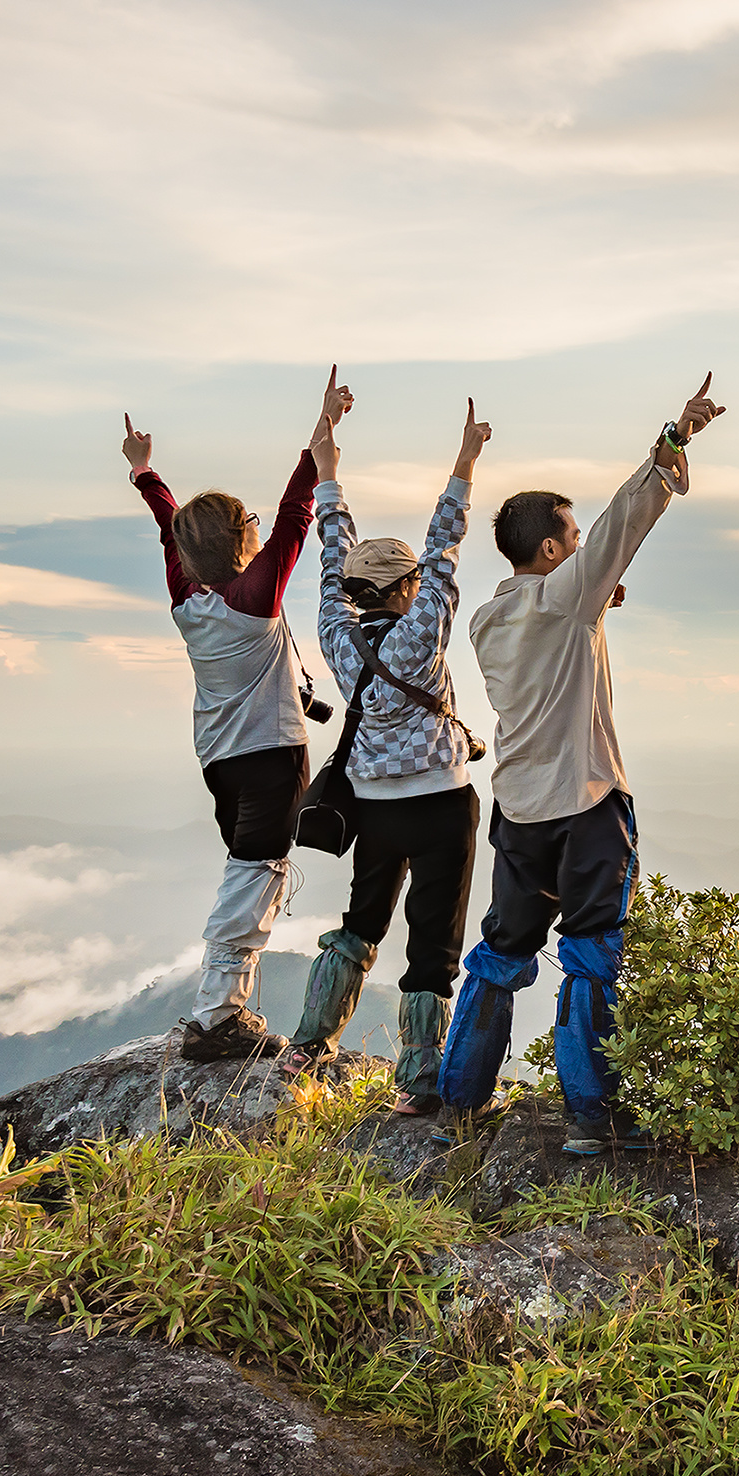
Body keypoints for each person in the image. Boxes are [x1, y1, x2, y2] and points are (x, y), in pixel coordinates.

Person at [437, 374, 726, 1154]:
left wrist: (595, 600)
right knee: (593, 958)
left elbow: (568, 601)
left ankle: (458, 1101)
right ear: (554, 548)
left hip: (520, 812)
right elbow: (621, 527)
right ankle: (592, 1120)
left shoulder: (490, 620)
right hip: (588, 803)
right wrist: (673, 443)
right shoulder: (568, 599)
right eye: (569, 534)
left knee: (500, 953)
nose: (579, 539)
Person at [123, 369, 352, 1062]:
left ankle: (226, 1008)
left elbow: (172, 530)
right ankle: (218, 1015)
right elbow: (295, 517)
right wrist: (321, 439)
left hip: (220, 760)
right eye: (247, 522)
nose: (260, 525)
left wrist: (145, 473)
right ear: (241, 542)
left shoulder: (186, 597)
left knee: (252, 865)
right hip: (271, 757)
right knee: (258, 872)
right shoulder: (253, 602)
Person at [278, 394, 496, 1113]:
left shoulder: (337, 636)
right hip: (441, 803)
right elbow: (444, 549)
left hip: (374, 811)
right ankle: (417, 1081)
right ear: (406, 590)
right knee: (432, 938)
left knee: (361, 921)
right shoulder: (422, 627)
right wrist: (464, 463)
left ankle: (309, 1044)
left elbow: (331, 548)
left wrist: (327, 467)